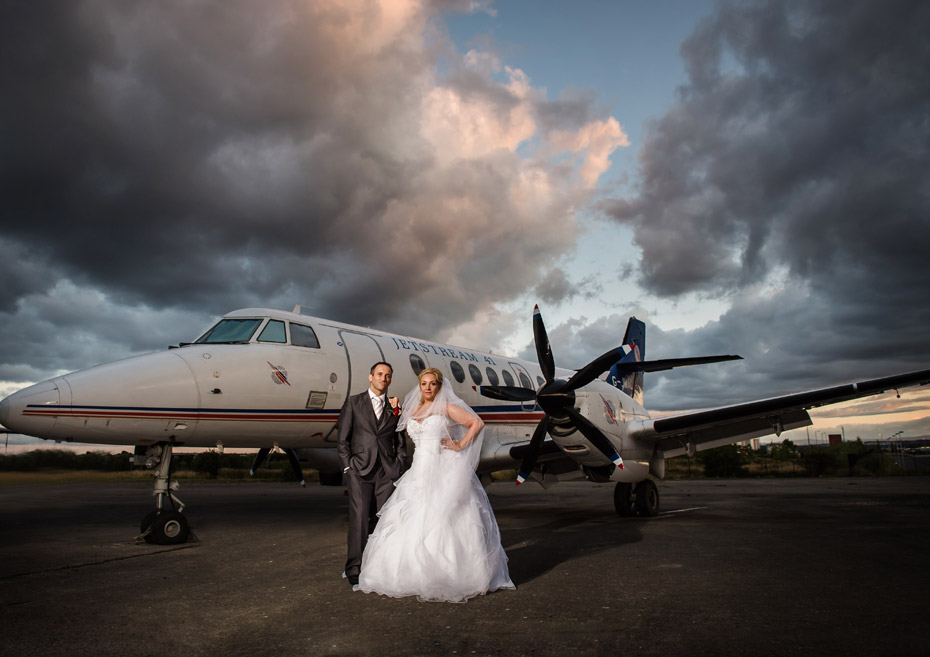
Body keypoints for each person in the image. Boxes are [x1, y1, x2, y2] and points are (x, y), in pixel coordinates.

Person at [358, 367, 515, 602]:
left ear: (439, 386)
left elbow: (476, 423)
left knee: (444, 518)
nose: (428, 387)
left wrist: (460, 445)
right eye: (424, 384)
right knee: (411, 518)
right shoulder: (414, 409)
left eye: (432, 384)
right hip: (419, 470)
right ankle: (408, 572)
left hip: (443, 469)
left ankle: (448, 572)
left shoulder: (446, 407)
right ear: (419, 386)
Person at [338, 361, 407, 590]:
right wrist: (348, 466)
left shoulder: (394, 406)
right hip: (361, 470)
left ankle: (380, 565)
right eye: (379, 374)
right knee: (358, 521)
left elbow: (400, 439)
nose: (383, 379)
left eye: (387, 376)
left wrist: (398, 464)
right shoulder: (354, 402)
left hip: (386, 472)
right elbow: (343, 438)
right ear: (370, 377)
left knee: (385, 520)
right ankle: (354, 569)